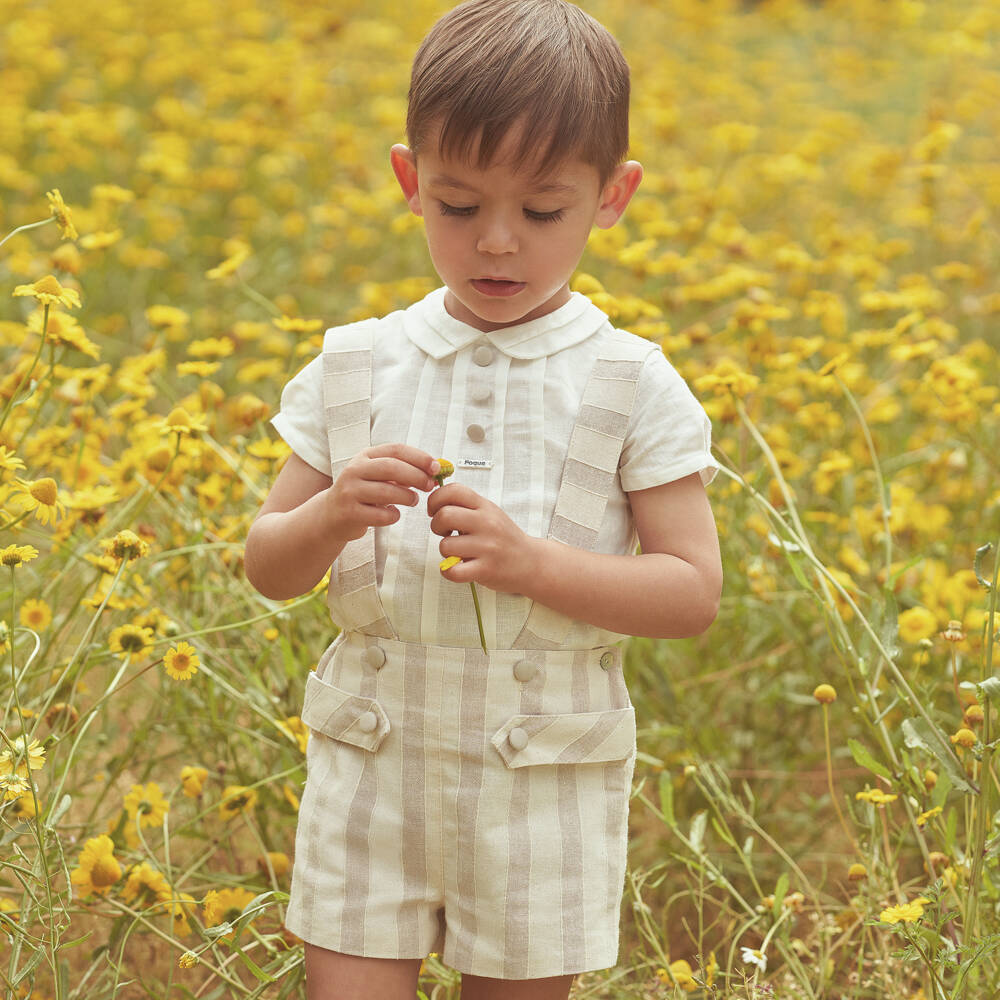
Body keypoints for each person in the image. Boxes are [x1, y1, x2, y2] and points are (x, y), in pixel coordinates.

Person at [244, 1, 722, 997]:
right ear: (409, 183)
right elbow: (267, 567)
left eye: (542, 211)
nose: (496, 242)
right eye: (459, 205)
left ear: (612, 196)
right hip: (372, 771)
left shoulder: (633, 382)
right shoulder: (353, 365)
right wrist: (333, 514)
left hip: (540, 780)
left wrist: (534, 564)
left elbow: (690, 594)